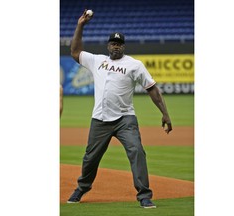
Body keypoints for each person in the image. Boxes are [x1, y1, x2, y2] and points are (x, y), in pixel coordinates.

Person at [67, 9, 172, 209]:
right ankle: (82, 188)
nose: (116, 47)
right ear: (108, 45)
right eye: (113, 44)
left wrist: (165, 114)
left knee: (137, 152)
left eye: (119, 44)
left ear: (123, 47)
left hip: (125, 119)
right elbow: (75, 52)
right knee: (91, 157)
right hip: (100, 119)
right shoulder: (97, 60)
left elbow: (153, 90)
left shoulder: (134, 65)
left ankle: (144, 196)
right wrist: (81, 25)